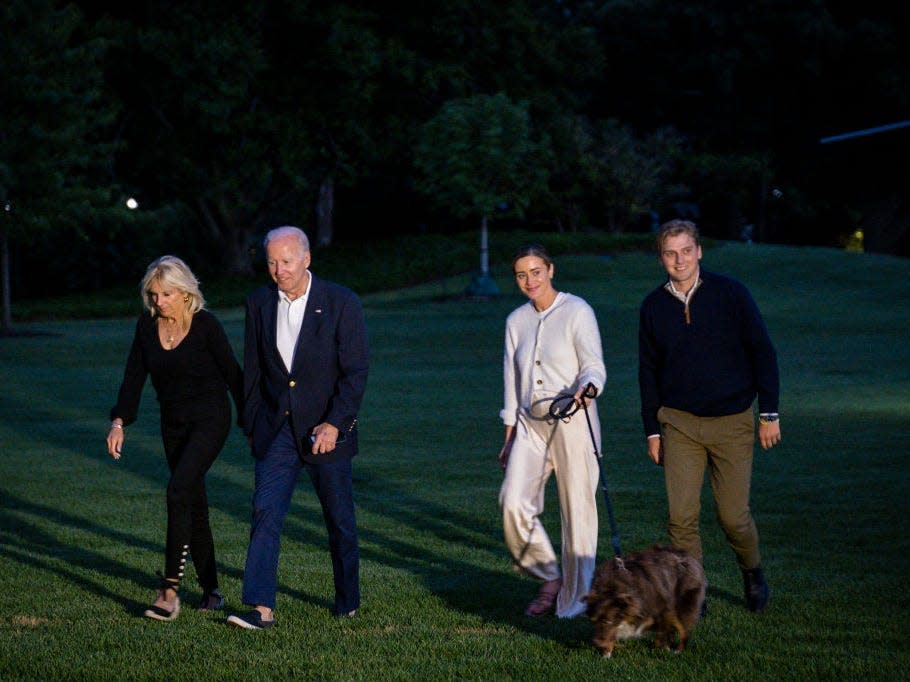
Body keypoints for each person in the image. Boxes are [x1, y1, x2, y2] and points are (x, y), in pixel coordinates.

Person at [227, 226, 369, 629]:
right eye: (271, 262)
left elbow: (355, 371)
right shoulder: (258, 303)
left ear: (307, 259)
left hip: (327, 432)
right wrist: (251, 424)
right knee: (265, 511)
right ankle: (260, 606)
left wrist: (335, 424)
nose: (279, 270)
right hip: (275, 431)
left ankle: (348, 601)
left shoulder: (341, 302)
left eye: (286, 261)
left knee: (339, 519)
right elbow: (253, 371)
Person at [638, 219, 781, 614]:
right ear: (661, 258)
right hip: (679, 423)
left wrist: (768, 413)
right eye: (670, 253)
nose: (679, 260)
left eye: (686, 251)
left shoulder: (731, 294)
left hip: (732, 420)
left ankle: (751, 571)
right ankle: (694, 590)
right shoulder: (653, 306)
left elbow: (763, 351)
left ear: (699, 251)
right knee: (681, 517)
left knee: (733, 517)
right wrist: (652, 430)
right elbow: (647, 372)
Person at [106, 255, 243, 621]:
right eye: (153, 295)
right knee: (192, 504)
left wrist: (254, 422)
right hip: (174, 426)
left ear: (185, 293)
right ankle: (212, 590)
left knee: (178, 490)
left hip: (211, 420)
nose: (158, 302)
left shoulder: (206, 327)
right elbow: (133, 377)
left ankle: (168, 591)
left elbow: (233, 375)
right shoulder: (146, 327)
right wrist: (119, 422)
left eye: (166, 294)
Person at [498, 244, 607, 618]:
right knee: (512, 502)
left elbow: (594, 366)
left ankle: (575, 603)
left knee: (578, 511)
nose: (530, 280)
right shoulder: (516, 321)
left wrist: (587, 389)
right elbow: (512, 381)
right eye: (521, 274)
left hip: (573, 419)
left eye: (536, 272)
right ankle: (549, 576)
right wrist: (509, 433)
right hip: (529, 425)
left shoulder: (578, 311)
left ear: (550, 270)